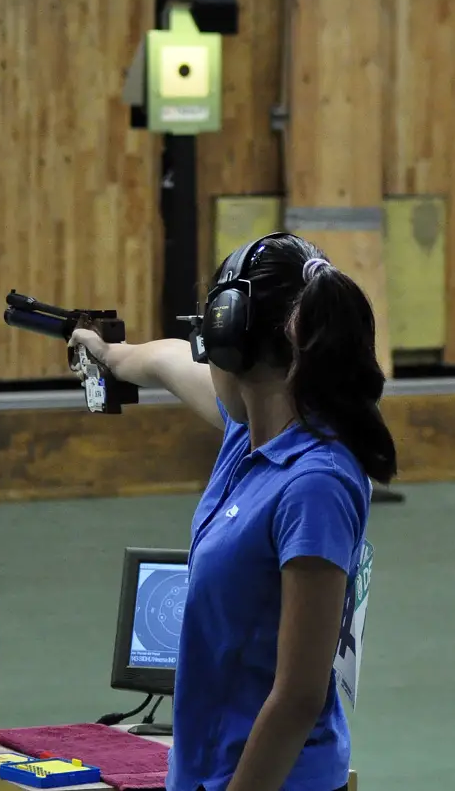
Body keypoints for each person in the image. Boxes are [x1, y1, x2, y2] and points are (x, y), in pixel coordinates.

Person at [68, 233, 395, 791]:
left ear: (227, 344)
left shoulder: (314, 482)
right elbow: (169, 360)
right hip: (207, 773)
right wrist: (111, 355)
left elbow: (297, 697)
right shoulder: (250, 437)